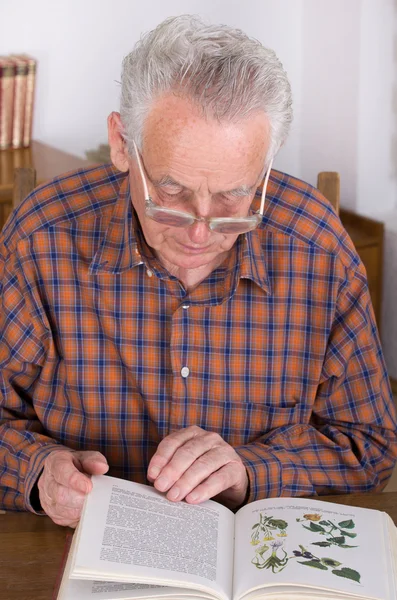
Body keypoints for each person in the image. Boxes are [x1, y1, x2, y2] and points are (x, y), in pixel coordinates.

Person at [1, 15, 396, 528]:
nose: (199, 233)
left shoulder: (318, 250)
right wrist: (38, 474)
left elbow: (369, 446)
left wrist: (248, 474)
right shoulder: (41, 239)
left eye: (235, 195)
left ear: (266, 165)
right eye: (170, 191)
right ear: (123, 144)